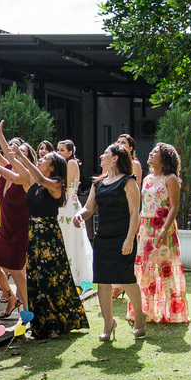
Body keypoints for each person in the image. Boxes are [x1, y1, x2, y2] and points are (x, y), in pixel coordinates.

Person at [8, 142, 87, 339]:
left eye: (44, 160)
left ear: (52, 167)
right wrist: (0, 138)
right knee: (36, 279)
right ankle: (40, 325)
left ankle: (56, 324)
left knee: (51, 280)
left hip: (49, 237)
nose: (40, 159)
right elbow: (12, 164)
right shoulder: (34, 185)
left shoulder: (56, 184)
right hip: (34, 235)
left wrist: (22, 156)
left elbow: (41, 178)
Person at [76, 143, 144, 341]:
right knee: (103, 282)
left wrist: (130, 238)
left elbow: (134, 212)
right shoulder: (98, 183)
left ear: (115, 158)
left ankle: (139, 318)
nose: (101, 156)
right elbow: (89, 208)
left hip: (123, 237)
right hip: (102, 238)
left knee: (126, 278)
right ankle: (108, 323)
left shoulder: (128, 182)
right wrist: (80, 214)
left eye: (105, 153)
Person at [132, 143, 189, 325]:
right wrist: (135, 230)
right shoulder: (147, 178)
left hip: (163, 226)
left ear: (164, 158)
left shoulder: (170, 178)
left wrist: (164, 229)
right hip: (145, 228)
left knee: (164, 268)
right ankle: (145, 311)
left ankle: (168, 312)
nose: (150, 153)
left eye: (155, 151)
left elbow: (174, 207)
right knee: (145, 269)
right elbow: (144, 207)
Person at [0, 122, 32, 319]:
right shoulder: (6, 172)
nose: (14, 154)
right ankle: (11, 298)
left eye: (21, 152)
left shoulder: (27, 177)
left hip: (20, 230)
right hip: (4, 229)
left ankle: (28, 309)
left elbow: (2, 162)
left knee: (16, 270)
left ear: (28, 159)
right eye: (13, 151)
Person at [55, 139, 93, 289]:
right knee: (64, 237)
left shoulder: (71, 163)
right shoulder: (63, 164)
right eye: (58, 150)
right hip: (64, 203)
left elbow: (66, 182)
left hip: (68, 203)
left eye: (62, 150)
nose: (59, 153)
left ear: (70, 152)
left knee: (70, 237)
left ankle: (73, 274)